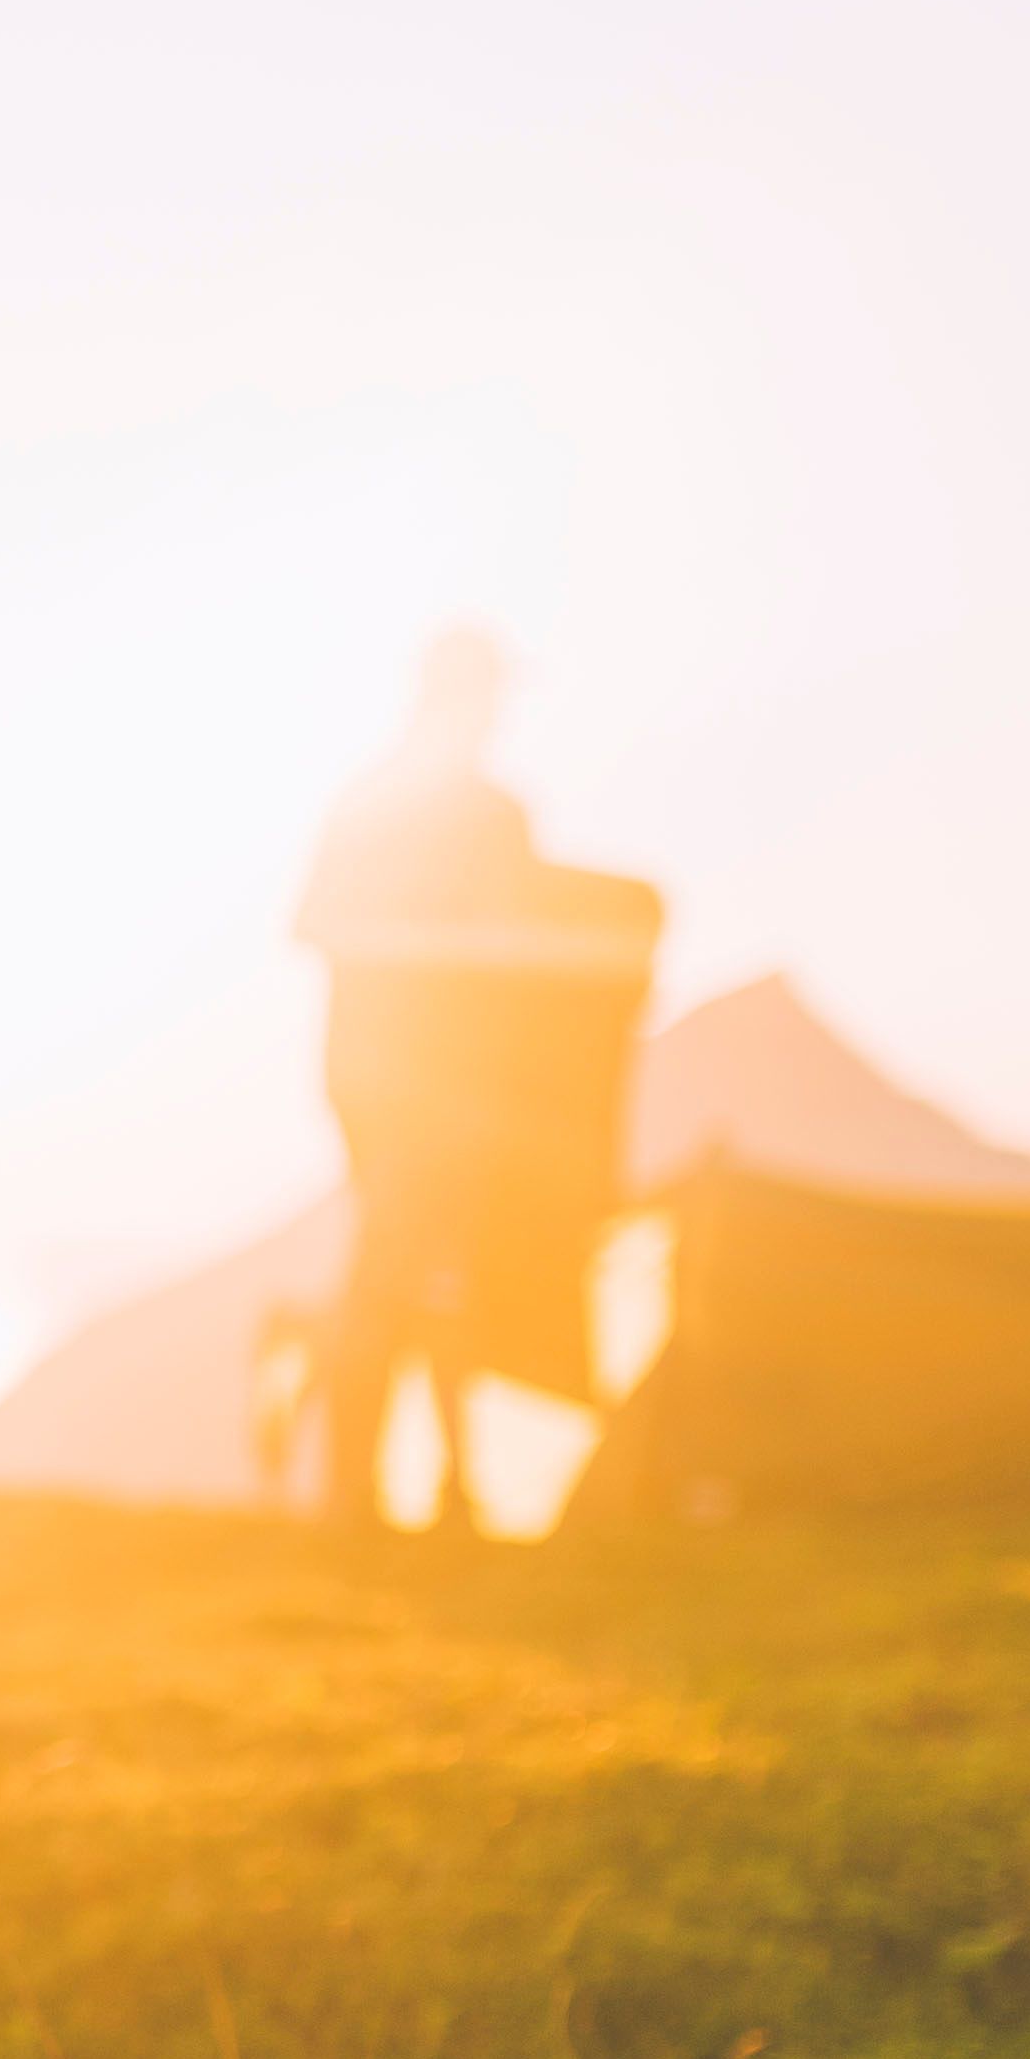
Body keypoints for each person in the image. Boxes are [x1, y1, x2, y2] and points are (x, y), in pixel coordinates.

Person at [289, 632, 663, 1530]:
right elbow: (320, 926)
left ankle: (452, 1486)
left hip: (468, 1089)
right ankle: (353, 1494)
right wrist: (449, 942)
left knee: (453, 1273)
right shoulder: (376, 805)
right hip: (390, 1083)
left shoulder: (494, 811)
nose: (495, 715)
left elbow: (524, 942)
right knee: (391, 1269)